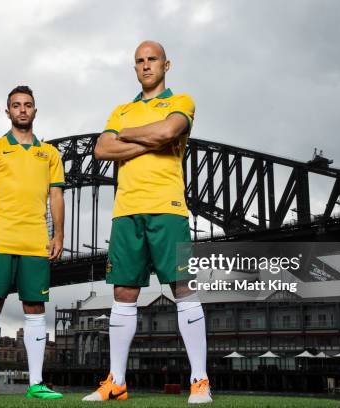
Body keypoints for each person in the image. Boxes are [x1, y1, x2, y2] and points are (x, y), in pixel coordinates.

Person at [82, 41, 211, 404]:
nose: (146, 65)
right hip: (126, 210)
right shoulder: (121, 109)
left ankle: (200, 381)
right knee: (123, 293)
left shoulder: (181, 101)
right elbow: (101, 149)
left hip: (167, 206)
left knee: (182, 287)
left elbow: (168, 132)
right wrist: (147, 138)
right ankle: (117, 383)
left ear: (166, 64)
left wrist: (126, 135)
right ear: (134, 67)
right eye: (139, 61)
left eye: (152, 59)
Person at [0, 85, 65, 400]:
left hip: (36, 241)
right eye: (16, 105)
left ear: (35, 111)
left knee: (35, 307)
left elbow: (56, 196)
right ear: (7, 111)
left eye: (27, 105)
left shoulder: (49, 153)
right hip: (0, 239)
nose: (22, 110)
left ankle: (36, 383)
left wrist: (59, 234)